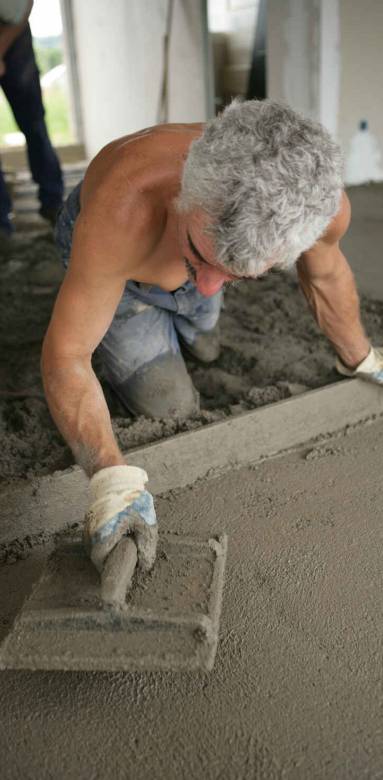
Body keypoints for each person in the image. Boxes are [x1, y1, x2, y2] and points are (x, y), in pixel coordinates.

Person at [42, 99, 383, 575]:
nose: (204, 288)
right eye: (197, 257)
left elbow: (325, 279)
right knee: (171, 405)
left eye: (240, 277)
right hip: (124, 273)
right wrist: (109, 477)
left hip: (205, 244)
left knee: (207, 343)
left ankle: (212, 270)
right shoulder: (122, 206)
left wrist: (362, 358)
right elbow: (68, 353)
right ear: (185, 193)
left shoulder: (319, 206)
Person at [0, 0, 64, 236]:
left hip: (12, 33)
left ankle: (53, 203)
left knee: (34, 123)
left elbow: (22, 6)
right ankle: (2, 227)